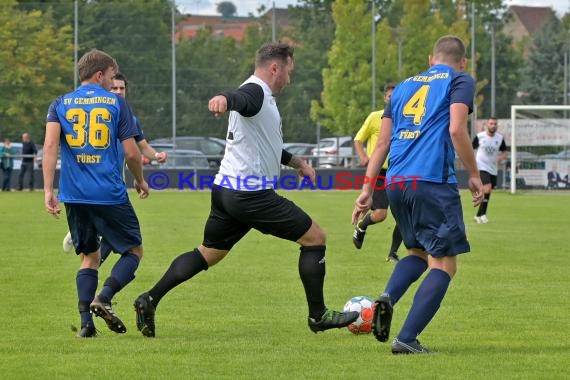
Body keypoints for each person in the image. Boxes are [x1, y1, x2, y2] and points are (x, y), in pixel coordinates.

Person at [133, 41, 359, 338]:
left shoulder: (262, 97)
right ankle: (318, 316)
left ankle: (149, 298)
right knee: (315, 238)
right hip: (250, 195)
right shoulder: (256, 91)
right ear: (275, 68)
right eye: (288, 71)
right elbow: (238, 98)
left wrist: (297, 162)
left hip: (226, 190)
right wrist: (222, 99)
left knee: (207, 254)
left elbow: (266, 145)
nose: (289, 79)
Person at [352, 35, 484, 354]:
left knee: (417, 253)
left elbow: (381, 144)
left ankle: (387, 298)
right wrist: (475, 175)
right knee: (444, 265)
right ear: (462, 61)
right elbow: (456, 129)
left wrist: (368, 187)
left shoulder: (402, 87)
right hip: (431, 181)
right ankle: (406, 338)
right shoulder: (460, 79)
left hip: (396, 181)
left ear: (430, 59)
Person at [43, 49, 150, 338]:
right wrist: (140, 180)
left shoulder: (60, 103)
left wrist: (48, 190)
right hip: (109, 193)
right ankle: (104, 297)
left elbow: (50, 147)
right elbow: (131, 152)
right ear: (100, 74)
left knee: (89, 257)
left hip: (74, 195)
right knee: (133, 250)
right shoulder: (116, 102)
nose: (114, 82)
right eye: (112, 76)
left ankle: (86, 326)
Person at [61, 72, 167, 264]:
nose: (118, 91)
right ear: (105, 88)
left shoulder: (130, 118)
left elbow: (142, 147)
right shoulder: (98, 113)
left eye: (122, 88)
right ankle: (94, 261)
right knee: (121, 235)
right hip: (100, 183)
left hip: (114, 182)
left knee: (111, 233)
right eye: (114, 88)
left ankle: (92, 259)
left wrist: (157, 155)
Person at [353, 84, 403, 262]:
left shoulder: (406, 117)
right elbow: (358, 139)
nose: (392, 99)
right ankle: (362, 225)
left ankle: (393, 253)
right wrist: (364, 157)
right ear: (385, 98)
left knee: (405, 215)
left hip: (401, 172)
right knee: (381, 214)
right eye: (390, 96)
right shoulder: (375, 117)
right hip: (380, 173)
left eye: (395, 96)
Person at [472, 117, 507, 223]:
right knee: (487, 187)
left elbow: (505, 151)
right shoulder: (480, 136)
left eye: (495, 124)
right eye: (491, 123)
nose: (493, 125)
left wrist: (501, 158)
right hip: (481, 167)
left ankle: (479, 215)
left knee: (488, 191)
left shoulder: (499, 138)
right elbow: (471, 148)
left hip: (493, 168)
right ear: (487, 125)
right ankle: (482, 215)